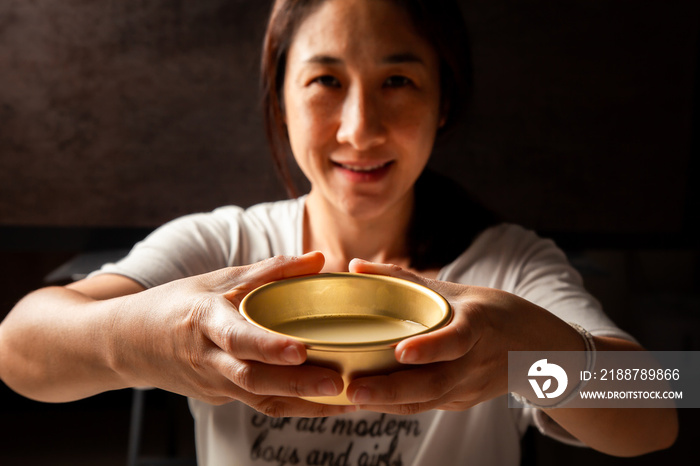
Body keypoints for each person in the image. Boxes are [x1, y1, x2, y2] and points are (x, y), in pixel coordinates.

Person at [0, 0, 677, 464]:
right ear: (282, 97)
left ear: (444, 102)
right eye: (326, 79)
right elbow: (17, 349)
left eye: (399, 80)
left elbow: (662, 408)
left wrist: (532, 347)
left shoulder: (508, 265)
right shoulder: (221, 250)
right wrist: (148, 342)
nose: (360, 128)